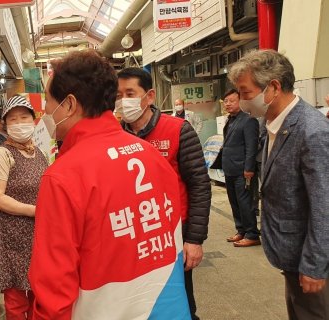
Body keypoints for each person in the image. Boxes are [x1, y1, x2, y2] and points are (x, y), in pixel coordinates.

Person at [29, 50, 190, 320]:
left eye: (47, 101)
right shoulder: (151, 154)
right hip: (167, 307)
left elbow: (54, 285)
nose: (44, 111)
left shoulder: (63, 177)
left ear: (69, 104)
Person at [229, 49, 329, 319]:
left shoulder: (312, 131)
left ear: (273, 87)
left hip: (309, 259)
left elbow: (323, 205)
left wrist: (314, 265)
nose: (241, 101)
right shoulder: (269, 123)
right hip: (290, 253)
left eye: (246, 92)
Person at [117, 67, 210, 320]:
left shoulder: (178, 130)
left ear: (149, 96)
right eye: (118, 94)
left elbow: (199, 186)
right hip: (135, 237)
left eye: (129, 93)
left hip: (175, 235)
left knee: (180, 302)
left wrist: (195, 239)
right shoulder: (114, 136)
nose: (123, 101)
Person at [0, 95, 48, 320]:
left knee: (37, 292)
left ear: (33, 120)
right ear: (4, 124)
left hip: (35, 233)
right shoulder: (1, 154)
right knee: (15, 299)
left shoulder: (38, 151)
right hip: (10, 235)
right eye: (13, 120)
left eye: (24, 117)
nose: (19, 123)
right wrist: (36, 211)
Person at [212, 89, 260, 247]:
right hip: (230, 169)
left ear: (241, 102)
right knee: (234, 202)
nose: (228, 104)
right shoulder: (230, 120)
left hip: (243, 170)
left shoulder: (248, 120)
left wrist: (249, 168)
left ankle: (252, 234)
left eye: (232, 101)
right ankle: (241, 231)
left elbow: (251, 147)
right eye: (226, 101)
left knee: (245, 203)